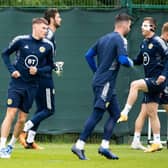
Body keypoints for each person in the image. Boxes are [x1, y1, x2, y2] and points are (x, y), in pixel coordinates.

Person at [71, 13, 133, 160]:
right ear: (124, 25)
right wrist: (130, 62)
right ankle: (79, 145)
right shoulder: (120, 40)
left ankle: (104, 147)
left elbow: (88, 55)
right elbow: (123, 60)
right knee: (97, 113)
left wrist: (96, 71)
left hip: (105, 82)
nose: (130, 28)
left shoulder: (104, 38)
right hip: (105, 83)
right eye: (129, 25)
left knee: (115, 114)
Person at [0, 17, 54, 158]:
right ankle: (1, 146)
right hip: (17, 84)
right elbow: (5, 54)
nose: (46, 31)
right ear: (35, 27)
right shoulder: (21, 40)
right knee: (10, 113)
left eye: (47, 29)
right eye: (43, 28)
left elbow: (50, 66)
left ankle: (10, 146)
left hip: (32, 86)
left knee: (22, 119)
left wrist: (38, 71)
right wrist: (12, 70)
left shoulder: (48, 46)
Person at [117, 17, 168, 152]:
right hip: (151, 80)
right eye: (142, 25)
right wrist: (127, 61)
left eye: (145, 26)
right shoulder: (144, 43)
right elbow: (139, 60)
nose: (142, 28)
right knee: (151, 112)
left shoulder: (158, 41)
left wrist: (164, 75)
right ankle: (157, 141)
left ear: (152, 28)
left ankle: (125, 112)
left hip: (157, 81)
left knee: (134, 84)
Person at [19, 8, 62, 149]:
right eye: (58, 17)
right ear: (51, 19)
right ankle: (24, 128)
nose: (60, 19)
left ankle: (30, 141)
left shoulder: (48, 35)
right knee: (49, 110)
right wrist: (50, 67)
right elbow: (38, 55)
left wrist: (54, 65)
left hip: (39, 75)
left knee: (41, 109)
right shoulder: (48, 34)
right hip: (43, 77)